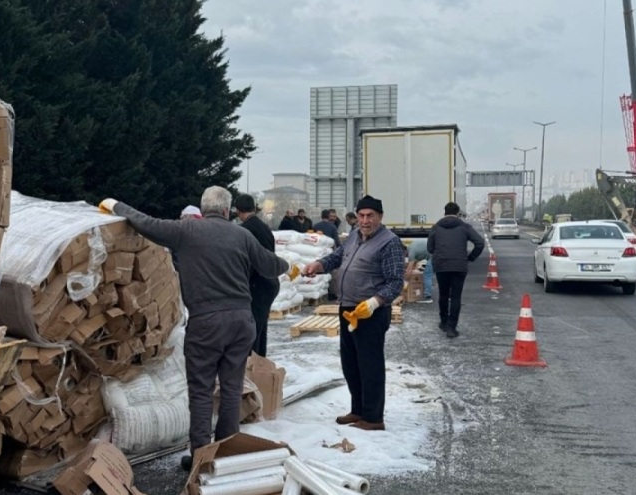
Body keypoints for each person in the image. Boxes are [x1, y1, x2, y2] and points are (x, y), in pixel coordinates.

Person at [98, 187, 298, 471]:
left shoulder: (186, 231)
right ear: (228, 211)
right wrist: (290, 267)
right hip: (242, 322)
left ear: (203, 211)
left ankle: (202, 459)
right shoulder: (242, 235)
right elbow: (269, 264)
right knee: (231, 389)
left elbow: (146, 223)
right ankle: (227, 455)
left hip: (207, 323)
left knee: (202, 391)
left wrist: (116, 204)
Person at [303, 195, 405, 431]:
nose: (365, 220)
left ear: (380, 217)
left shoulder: (389, 242)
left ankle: (373, 417)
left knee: (370, 365)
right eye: (361, 215)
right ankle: (358, 409)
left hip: (370, 312)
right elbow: (336, 258)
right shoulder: (353, 237)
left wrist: (374, 302)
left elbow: (395, 282)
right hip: (348, 309)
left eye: (370, 216)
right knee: (351, 364)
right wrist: (318, 265)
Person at [427, 202, 485, 338]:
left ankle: (443, 322)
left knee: (443, 294)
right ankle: (452, 328)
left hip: (441, 266)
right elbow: (480, 243)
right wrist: (470, 257)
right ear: (458, 213)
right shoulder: (465, 227)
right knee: (456, 297)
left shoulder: (436, 228)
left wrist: (439, 253)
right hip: (459, 266)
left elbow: (430, 248)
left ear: (444, 212)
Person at [234, 194, 281, 357]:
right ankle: (261, 362)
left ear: (238, 211)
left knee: (252, 329)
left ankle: (254, 367)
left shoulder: (246, 230)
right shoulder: (263, 226)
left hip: (258, 285)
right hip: (269, 282)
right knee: (260, 327)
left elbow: (248, 261)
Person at [406, 238, 433, 304]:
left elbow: (409, 268)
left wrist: (406, 280)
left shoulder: (411, 252)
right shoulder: (412, 247)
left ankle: (427, 295)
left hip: (434, 255)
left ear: (404, 251)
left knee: (427, 275)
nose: (405, 257)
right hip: (435, 251)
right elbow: (414, 263)